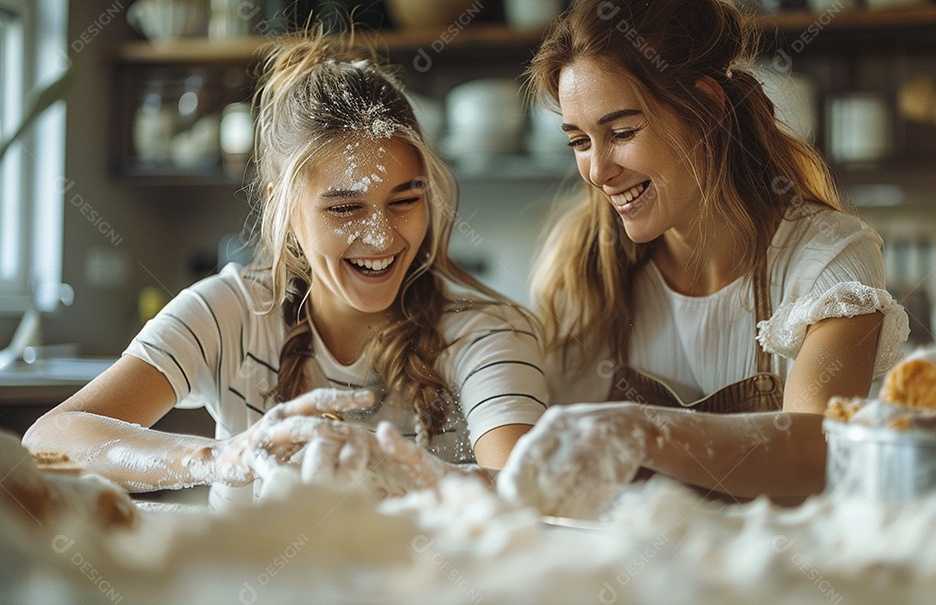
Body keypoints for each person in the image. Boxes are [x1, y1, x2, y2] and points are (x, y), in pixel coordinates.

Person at [23, 30, 548, 510]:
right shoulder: (228, 312)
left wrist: (407, 476)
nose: (381, 236)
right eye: (345, 208)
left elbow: (527, 495)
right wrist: (223, 457)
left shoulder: (486, 334)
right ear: (286, 210)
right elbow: (50, 439)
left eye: (404, 201)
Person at [497, 0, 909, 517]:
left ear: (708, 106)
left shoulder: (827, 261)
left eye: (622, 133)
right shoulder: (580, 263)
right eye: (580, 141)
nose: (598, 171)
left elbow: (815, 449)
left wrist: (642, 430)